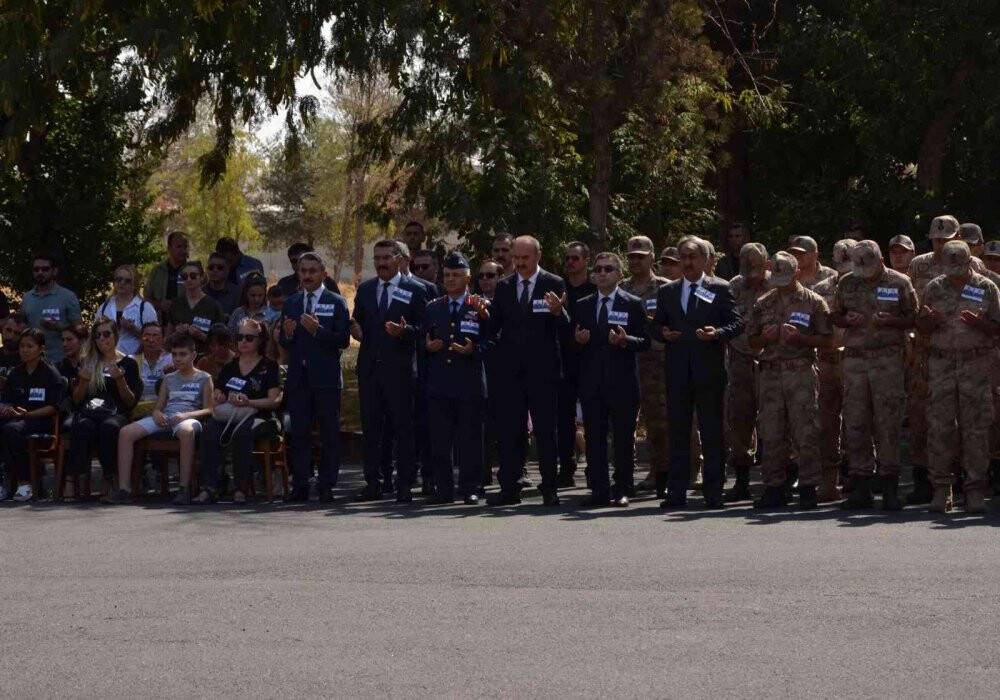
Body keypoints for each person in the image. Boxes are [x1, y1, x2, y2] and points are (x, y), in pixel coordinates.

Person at [650, 236, 742, 509]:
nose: (688, 262)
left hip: (709, 370)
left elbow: (737, 323)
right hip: (677, 371)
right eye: (684, 257)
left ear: (705, 260)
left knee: (712, 432)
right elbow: (655, 326)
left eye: (693, 257)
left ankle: (713, 492)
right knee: (678, 432)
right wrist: (663, 333)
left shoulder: (720, 288)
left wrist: (718, 333)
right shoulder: (668, 291)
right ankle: (676, 492)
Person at [905, 215, 987, 503]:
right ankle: (932, 484)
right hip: (932, 355)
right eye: (936, 240)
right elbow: (914, 312)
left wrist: (980, 324)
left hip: (970, 357)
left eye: (946, 239)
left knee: (971, 423)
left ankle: (970, 484)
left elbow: (991, 313)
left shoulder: (977, 270)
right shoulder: (921, 269)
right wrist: (926, 321)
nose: (940, 245)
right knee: (930, 421)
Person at [482, 235, 570, 506]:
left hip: (543, 372)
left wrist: (559, 312)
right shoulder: (504, 286)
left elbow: (566, 328)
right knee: (511, 431)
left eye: (525, 258)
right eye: (516, 258)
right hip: (511, 373)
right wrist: (484, 315)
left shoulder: (553, 283)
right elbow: (494, 326)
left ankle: (549, 487)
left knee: (545, 432)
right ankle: (510, 488)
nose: (519, 263)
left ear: (538, 256)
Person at [915, 240, 1000, 513]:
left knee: (976, 429)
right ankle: (942, 489)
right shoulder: (934, 287)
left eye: (959, 268)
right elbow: (920, 325)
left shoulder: (987, 287)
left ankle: (975, 490)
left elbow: (997, 327)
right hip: (941, 364)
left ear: (969, 262)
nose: (954, 274)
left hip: (975, 364)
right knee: (940, 428)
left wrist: (979, 324)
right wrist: (930, 321)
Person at [832, 240, 917, 510]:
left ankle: (890, 486)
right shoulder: (847, 282)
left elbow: (913, 318)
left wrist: (891, 321)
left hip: (887, 359)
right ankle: (861, 486)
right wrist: (847, 320)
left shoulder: (900, 282)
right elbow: (835, 315)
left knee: (887, 423)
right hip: (855, 360)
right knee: (856, 423)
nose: (864, 274)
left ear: (881, 261)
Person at [746, 251, 833, 510]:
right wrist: (764, 338)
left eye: (786, 277)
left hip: (800, 372)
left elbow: (828, 340)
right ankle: (774, 486)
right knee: (771, 431)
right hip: (771, 373)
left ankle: (808, 486)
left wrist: (802, 339)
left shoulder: (814, 301)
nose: (781, 284)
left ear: (797, 273)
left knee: (805, 431)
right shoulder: (763, 303)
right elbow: (751, 341)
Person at [351, 241, 427, 503]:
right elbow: (359, 322)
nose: (381, 263)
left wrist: (405, 331)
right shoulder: (365, 290)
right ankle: (373, 482)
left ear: (399, 259)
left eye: (386, 257)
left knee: (403, 429)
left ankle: (404, 483)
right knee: (371, 430)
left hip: (401, 371)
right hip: (370, 370)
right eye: (377, 258)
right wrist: (355, 330)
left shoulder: (415, 289)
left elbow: (425, 329)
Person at [573, 252, 649, 506]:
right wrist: (578, 340)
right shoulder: (582, 304)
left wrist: (626, 340)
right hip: (592, 382)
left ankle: (623, 488)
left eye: (608, 269)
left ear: (619, 274)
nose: (602, 273)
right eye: (598, 269)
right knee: (595, 439)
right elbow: (573, 340)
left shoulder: (632, 303)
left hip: (623, 382)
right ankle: (599, 489)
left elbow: (646, 341)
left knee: (623, 439)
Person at [103, 334, 214, 505]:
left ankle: (183, 489)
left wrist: (186, 415)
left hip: (189, 418)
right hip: (166, 417)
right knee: (125, 432)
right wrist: (156, 413)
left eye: (183, 354)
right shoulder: (168, 378)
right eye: (174, 354)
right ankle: (125, 489)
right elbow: (159, 406)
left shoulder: (205, 378)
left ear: (193, 355)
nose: (178, 358)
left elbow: (209, 409)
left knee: (187, 431)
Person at [281, 252, 351, 502]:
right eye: (303, 271)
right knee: (299, 433)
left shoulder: (336, 302)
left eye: (312, 271)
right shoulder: (291, 303)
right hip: (299, 379)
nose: (307, 276)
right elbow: (285, 342)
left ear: (323, 274)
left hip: (326, 380)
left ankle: (326, 485)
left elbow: (343, 340)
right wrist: (288, 335)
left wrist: (318, 331)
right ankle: (300, 484)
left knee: (329, 434)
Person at [421, 252, 490, 504]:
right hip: (440, 384)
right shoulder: (432, 307)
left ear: (468, 278)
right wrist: (427, 347)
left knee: (470, 440)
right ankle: (444, 488)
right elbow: (422, 340)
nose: (451, 279)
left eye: (457, 275)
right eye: (447, 275)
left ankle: (471, 487)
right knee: (440, 441)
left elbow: (493, 340)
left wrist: (474, 350)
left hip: (469, 383)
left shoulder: (480, 307)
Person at [195, 318, 283, 504]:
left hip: (261, 416)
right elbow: (218, 392)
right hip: (230, 414)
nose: (243, 341)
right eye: (240, 337)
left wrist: (249, 402)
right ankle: (209, 487)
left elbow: (274, 401)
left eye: (249, 338)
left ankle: (241, 488)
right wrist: (219, 395)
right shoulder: (230, 367)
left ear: (260, 340)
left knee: (241, 434)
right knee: (209, 431)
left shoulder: (269, 366)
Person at [64, 320, 142, 496]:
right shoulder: (87, 362)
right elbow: (76, 400)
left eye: (106, 334)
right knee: (81, 425)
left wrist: (120, 380)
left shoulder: (128, 363)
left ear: (116, 336)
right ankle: (73, 479)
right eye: (97, 335)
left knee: (109, 427)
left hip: (116, 412)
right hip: (91, 411)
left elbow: (130, 402)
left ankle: (110, 477)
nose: (102, 339)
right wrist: (83, 381)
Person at [619, 236, 670, 494]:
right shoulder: (621, 287)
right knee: (625, 422)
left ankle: (662, 472)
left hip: (656, 363)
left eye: (641, 256)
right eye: (631, 256)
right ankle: (625, 475)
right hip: (626, 361)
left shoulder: (665, 288)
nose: (635, 261)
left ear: (652, 257)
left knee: (658, 421)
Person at [810, 238, 857, 502]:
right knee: (827, 424)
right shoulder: (821, 290)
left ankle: (858, 479)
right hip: (828, 362)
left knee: (859, 422)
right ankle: (829, 480)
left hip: (858, 362)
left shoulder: (866, 287)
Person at [724, 242, 769, 500]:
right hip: (740, 359)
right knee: (740, 419)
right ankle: (741, 479)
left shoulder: (776, 283)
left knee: (774, 420)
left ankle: (777, 479)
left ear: (766, 263)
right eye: (746, 267)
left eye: (756, 267)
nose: (752, 273)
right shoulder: (734, 286)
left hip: (770, 359)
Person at [0, 329, 64, 501]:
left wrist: (29, 414)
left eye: (30, 346)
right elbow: (7, 400)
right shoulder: (15, 373)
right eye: (22, 346)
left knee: (12, 431)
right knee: (7, 428)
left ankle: (26, 482)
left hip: (41, 421)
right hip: (17, 419)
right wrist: (6, 408)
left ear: (41, 349)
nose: (25, 350)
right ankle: (4, 481)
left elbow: (54, 407)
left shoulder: (50, 373)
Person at [557, 241, 597, 487]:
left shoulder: (595, 288)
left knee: (593, 417)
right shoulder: (558, 288)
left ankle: (595, 469)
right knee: (563, 418)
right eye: (567, 258)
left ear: (586, 261)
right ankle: (566, 468)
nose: (570, 262)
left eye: (575, 258)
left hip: (590, 360)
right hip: (563, 361)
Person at [20, 253, 82, 363]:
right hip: (34, 362)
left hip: (61, 361)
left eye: (45, 269)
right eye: (36, 269)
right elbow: (23, 328)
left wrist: (60, 328)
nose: (40, 272)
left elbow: (80, 331)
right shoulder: (27, 298)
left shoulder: (68, 296)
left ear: (54, 271)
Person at [97, 264, 158, 356]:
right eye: (119, 279)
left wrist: (133, 329)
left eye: (127, 281)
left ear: (134, 285)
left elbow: (155, 339)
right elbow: (95, 335)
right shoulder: (104, 307)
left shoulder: (145, 308)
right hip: (107, 359)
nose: (122, 283)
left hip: (136, 359)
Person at [166, 261, 223, 348]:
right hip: (179, 353)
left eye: (193, 276)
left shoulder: (213, 305)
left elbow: (220, 343)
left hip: (204, 354)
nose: (188, 279)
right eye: (184, 277)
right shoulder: (176, 304)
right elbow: (166, 342)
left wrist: (200, 335)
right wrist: (177, 333)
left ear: (202, 277)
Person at [144, 230, 189, 318]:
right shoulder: (157, 271)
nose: (183, 250)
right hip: (160, 321)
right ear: (169, 248)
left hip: (185, 322)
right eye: (179, 246)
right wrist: (159, 304)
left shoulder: (193, 271)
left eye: (185, 247)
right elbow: (146, 299)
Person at [134, 322, 173, 415]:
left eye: (156, 336)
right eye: (147, 336)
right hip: (138, 411)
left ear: (163, 339)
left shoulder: (172, 359)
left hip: (165, 410)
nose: (151, 340)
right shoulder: (132, 361)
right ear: (141, 339)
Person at [276, 243, 341, 297]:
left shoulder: (328, 283)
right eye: (294, 261)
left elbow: (337, 304)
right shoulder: (284, 284)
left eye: (303, 260)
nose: (299, 264)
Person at [202, 252, 242, 317]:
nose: (215, 270)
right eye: (211, 267)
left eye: (220, 268)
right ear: (207, 270)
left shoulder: (238, 293)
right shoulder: (200, 292)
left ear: (227, 270)